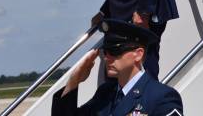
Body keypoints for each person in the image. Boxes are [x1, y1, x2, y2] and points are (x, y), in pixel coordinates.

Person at [52, 19, 183, 116]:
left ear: (138, 54)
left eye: (115, 51)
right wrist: (73, 81)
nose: (107, 57)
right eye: (105, 52)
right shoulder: (105, 93)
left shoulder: (162, 97)